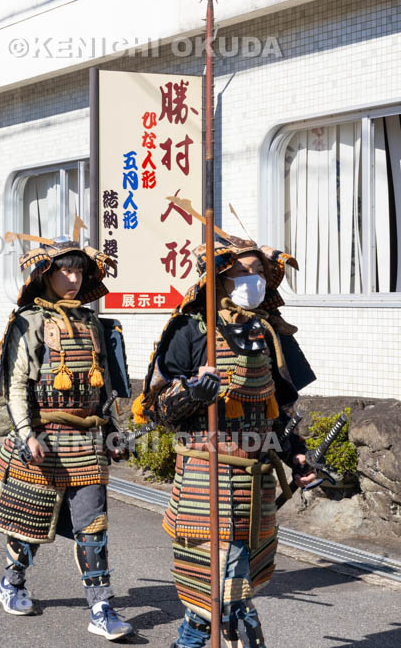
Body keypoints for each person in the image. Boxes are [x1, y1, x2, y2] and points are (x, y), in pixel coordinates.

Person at [133, 236, 316, 648]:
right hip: (206, 472)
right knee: (230, 591)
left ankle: (188, 642)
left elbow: (278, 410)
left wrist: (297, 454)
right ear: (217, 278)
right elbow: (158, 408)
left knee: (217, 592)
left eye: (258, 273)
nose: (253, 280)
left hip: (256, 479)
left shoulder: (266, 333)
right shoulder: (189, 330)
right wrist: (191, 393)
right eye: (242, 273)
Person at [0, 238, 133, 641]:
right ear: (46, 274)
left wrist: (112, 431)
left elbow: (105, 388)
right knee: (30, 523)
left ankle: (101, 607)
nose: (74, 278)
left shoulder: (94, 323)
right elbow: (18, 386)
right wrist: (27, 435)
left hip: (87, 441)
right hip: (44, 438)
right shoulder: (28, 322)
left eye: (80, 271)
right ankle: (12, 581)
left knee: (93, 526)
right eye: (66, 271)